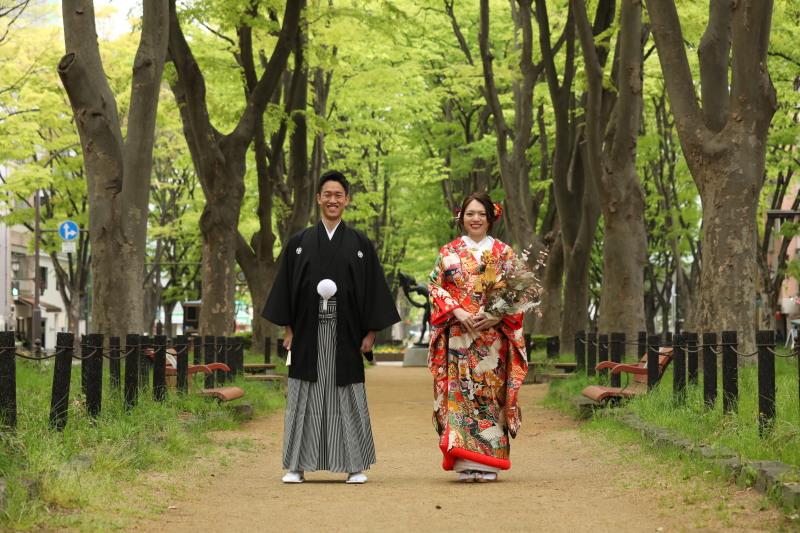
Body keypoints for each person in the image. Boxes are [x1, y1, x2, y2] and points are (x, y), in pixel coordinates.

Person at [262, 170, 400, 484]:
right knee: (304, 396)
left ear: (347, 200)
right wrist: (289, 329)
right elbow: (288, 288)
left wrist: (371, 332)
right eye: (327, 194)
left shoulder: (360, 243)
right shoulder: (300, 242)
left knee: (347, 396)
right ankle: (297, 465)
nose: (333, 200)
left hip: (347, 333)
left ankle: (354, 465)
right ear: (319, 199)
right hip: (307, 332)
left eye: (338, 195)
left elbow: (372, 290)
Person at [427, 192, 529, 483]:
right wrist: (457, 312)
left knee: (489, 397)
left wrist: (497, 315)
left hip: (492, 340)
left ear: (491, 217)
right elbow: (435, 288)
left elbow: (518, 294)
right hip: (459, 336)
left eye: (481, 214)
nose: (475, 219)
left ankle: (490, 462)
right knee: (460, 397)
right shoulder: (449, 252)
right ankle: (463, 462)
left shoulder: (504, 252)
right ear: (461, 217)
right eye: (470, 214)